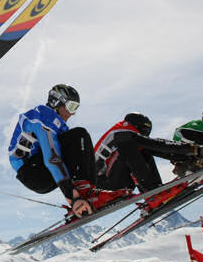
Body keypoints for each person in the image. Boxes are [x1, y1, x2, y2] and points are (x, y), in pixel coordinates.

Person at [8, 84, 127, 219]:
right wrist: (72, 197)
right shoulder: (41, 117)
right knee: (79, 135)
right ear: (57, 102)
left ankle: (90, 193)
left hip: (42, 174)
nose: (73, 113)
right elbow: (52, 158)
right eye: (71, 107)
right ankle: (84, 194)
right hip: (32, 173)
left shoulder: (59, 128)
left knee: (79, 141)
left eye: (76, 108)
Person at [94, 113, 203, 210]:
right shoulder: (121, 133)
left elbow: (154, 148)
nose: (146, 134)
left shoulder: (125, 134)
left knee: (143, 150)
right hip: (100, 184)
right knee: (135, 148)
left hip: (109, 180)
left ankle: (154, 192)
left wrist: (187, 157)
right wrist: (194, 149)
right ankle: (153, 192)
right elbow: (154, 144)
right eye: (146, 131)